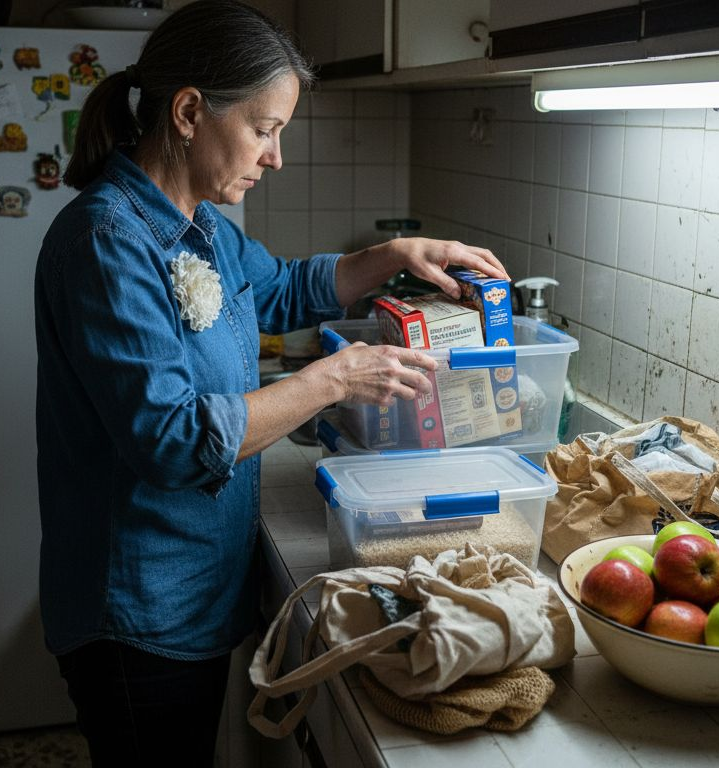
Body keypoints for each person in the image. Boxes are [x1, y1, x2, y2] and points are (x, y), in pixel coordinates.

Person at [33, 1, 508, 764]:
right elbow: (175, 440)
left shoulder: (203, 227)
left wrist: (399, 251)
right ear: (189, 112)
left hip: (193, 588)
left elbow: (282, 288)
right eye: (265, 128)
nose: (275, 156)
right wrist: (333, 379)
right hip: (137, 610)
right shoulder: (107, 242)